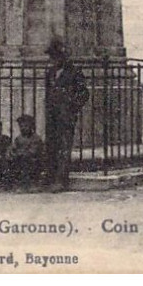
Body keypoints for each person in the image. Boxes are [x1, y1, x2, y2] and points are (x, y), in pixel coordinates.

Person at [44, 38, 89, 192]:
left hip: (66, 116)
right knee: (52, 146)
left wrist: (71, 108)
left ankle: (61, 180)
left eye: (55, 57)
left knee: (64, 148)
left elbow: (83, 93)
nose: (52, 60)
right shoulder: (50, 73)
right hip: (52, 116)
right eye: (51, 57)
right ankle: (51, 178)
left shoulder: (74, 72)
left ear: (62, 57)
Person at [6, 114, 45, 191]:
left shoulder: (36, 138)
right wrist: (10, 152)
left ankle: (30, 184)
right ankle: (15, 184)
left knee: (26, 161)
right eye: (21, 126)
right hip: (21, 159)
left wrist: (18, 153)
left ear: (31, 126)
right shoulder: (18, 138)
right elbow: (13, 147)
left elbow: (32, 152)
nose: (23, 128)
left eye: (26, 126)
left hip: (34, 161)